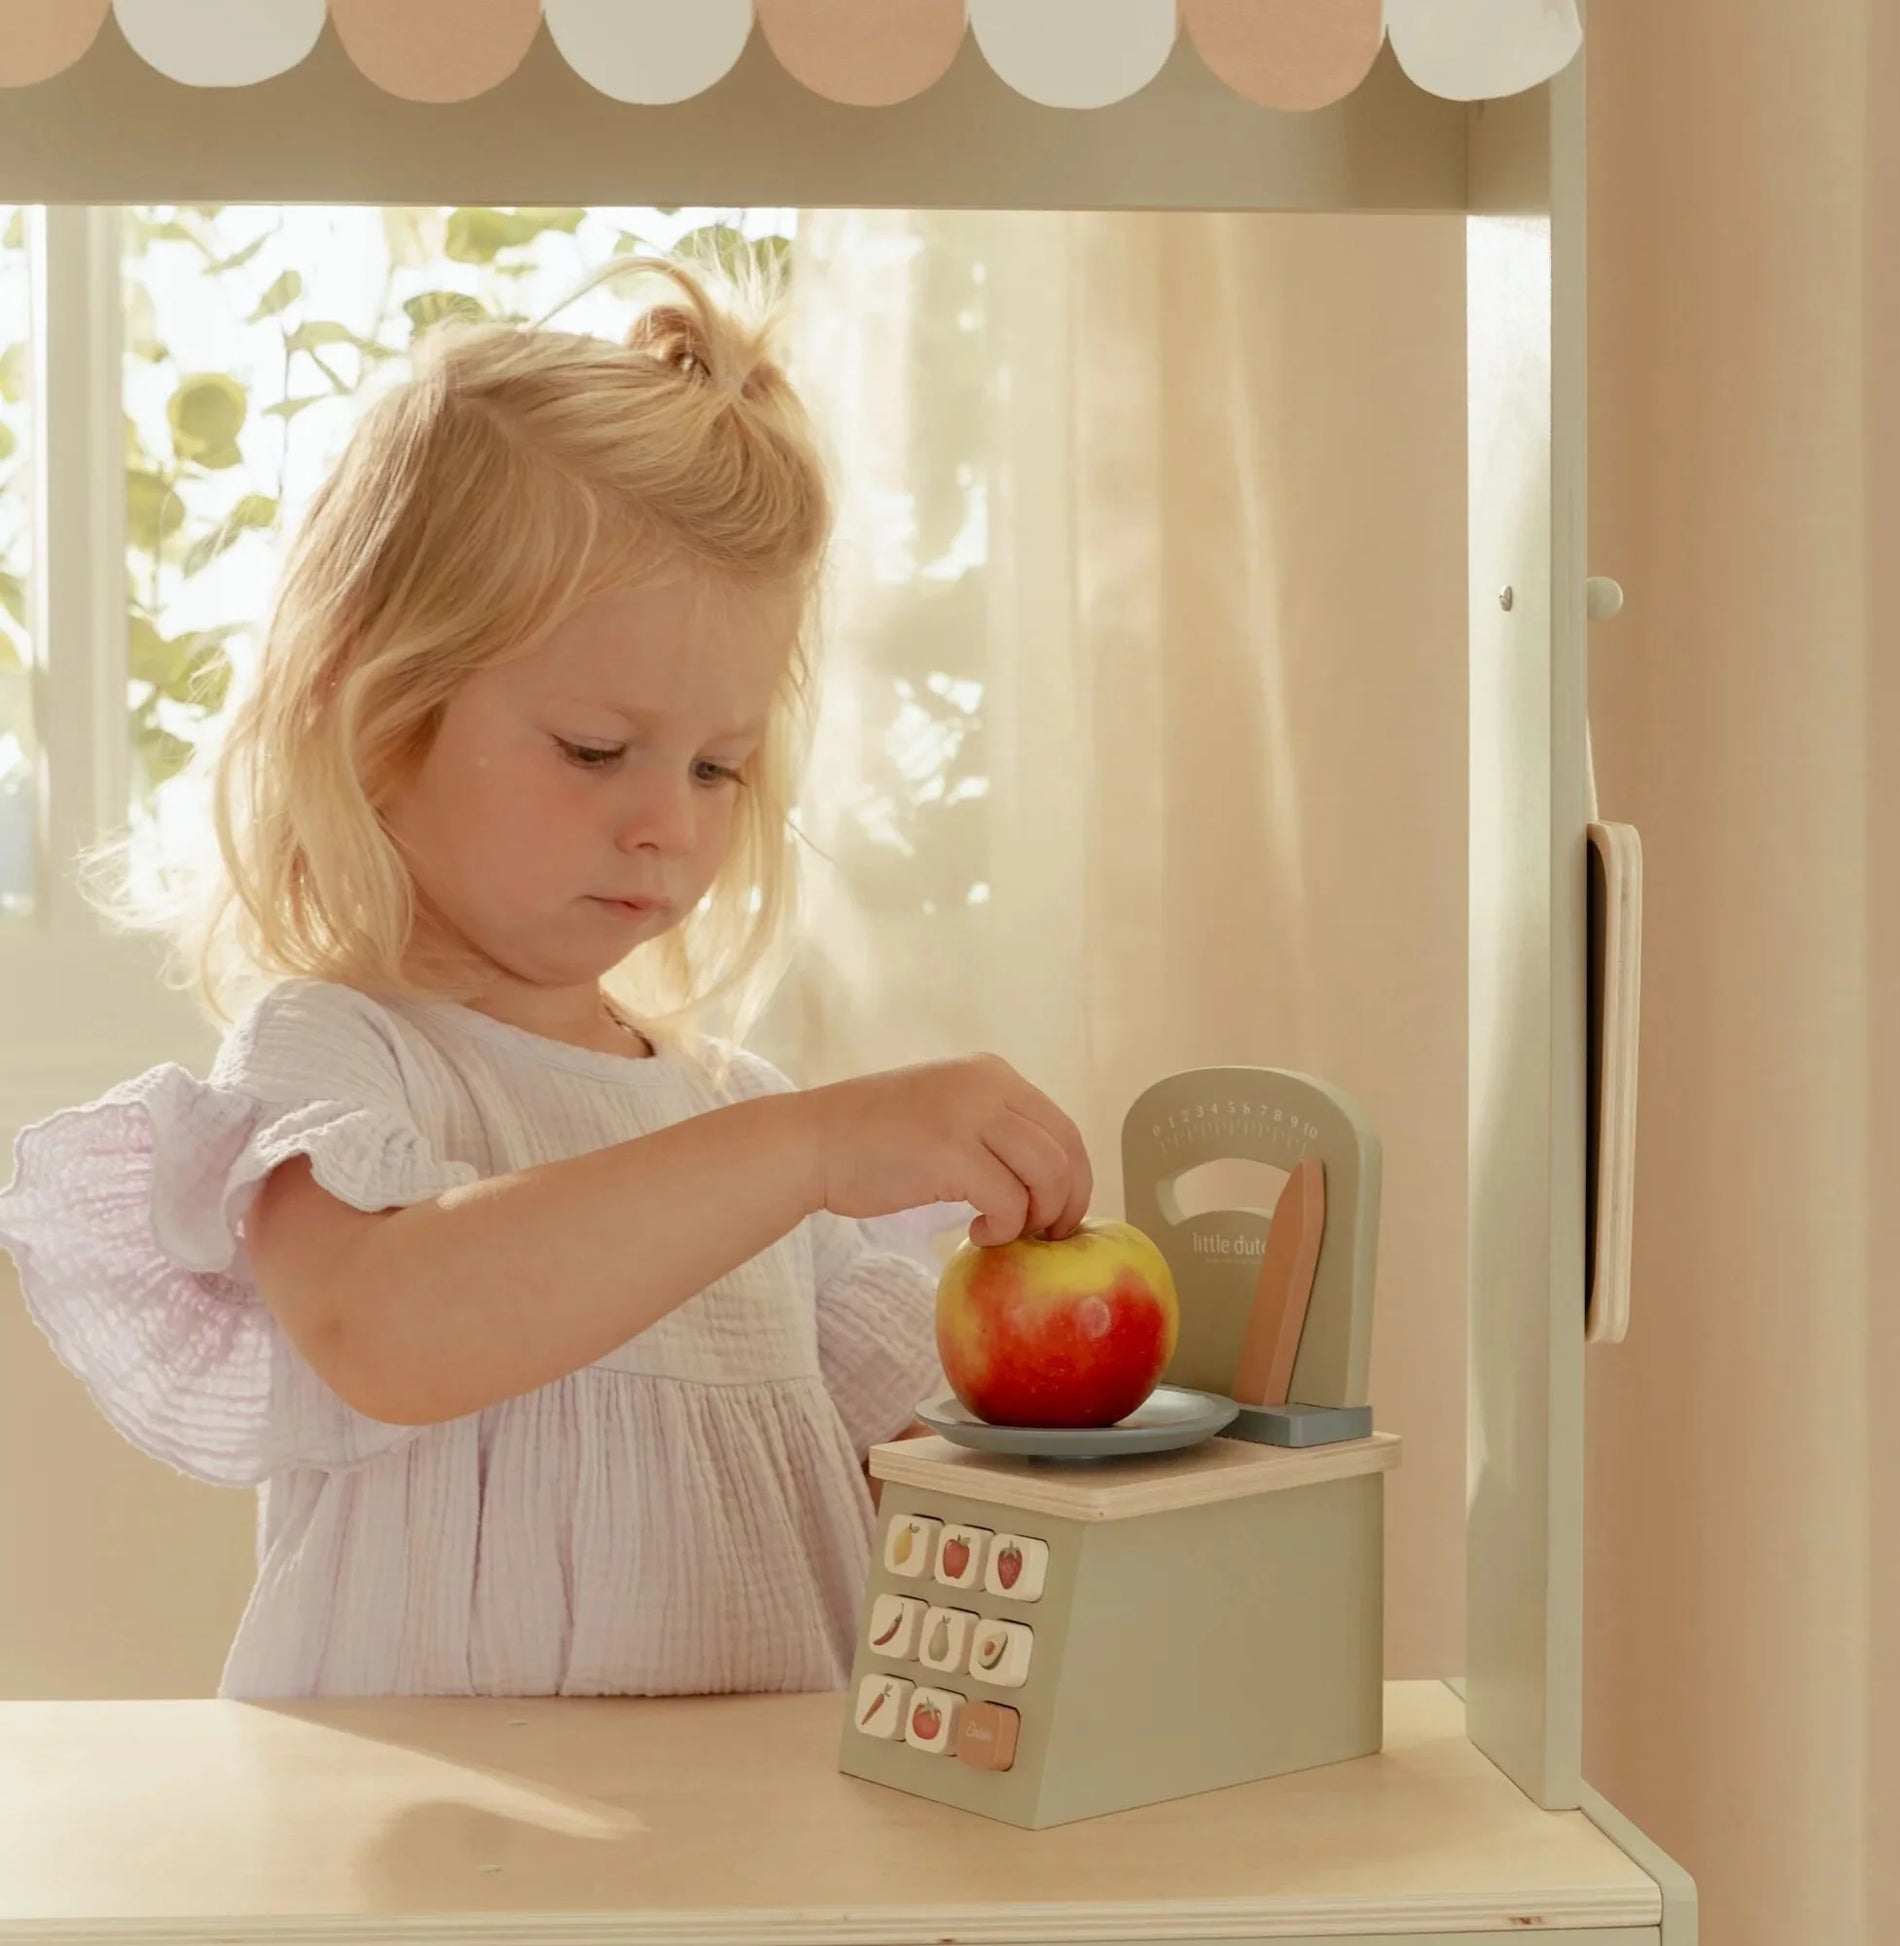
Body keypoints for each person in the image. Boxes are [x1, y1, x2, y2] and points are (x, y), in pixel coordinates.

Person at [0, 256, 1091, 1700]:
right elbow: (386, 1333)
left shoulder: (735, 1117)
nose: (668, 824)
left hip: (750, 1824)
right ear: (376, 711)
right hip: (423, 1825)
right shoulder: (342, 1058)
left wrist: (1102, 1413)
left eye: (718, 767)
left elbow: (908, 1500)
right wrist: (810, 1146)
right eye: (594, 749)